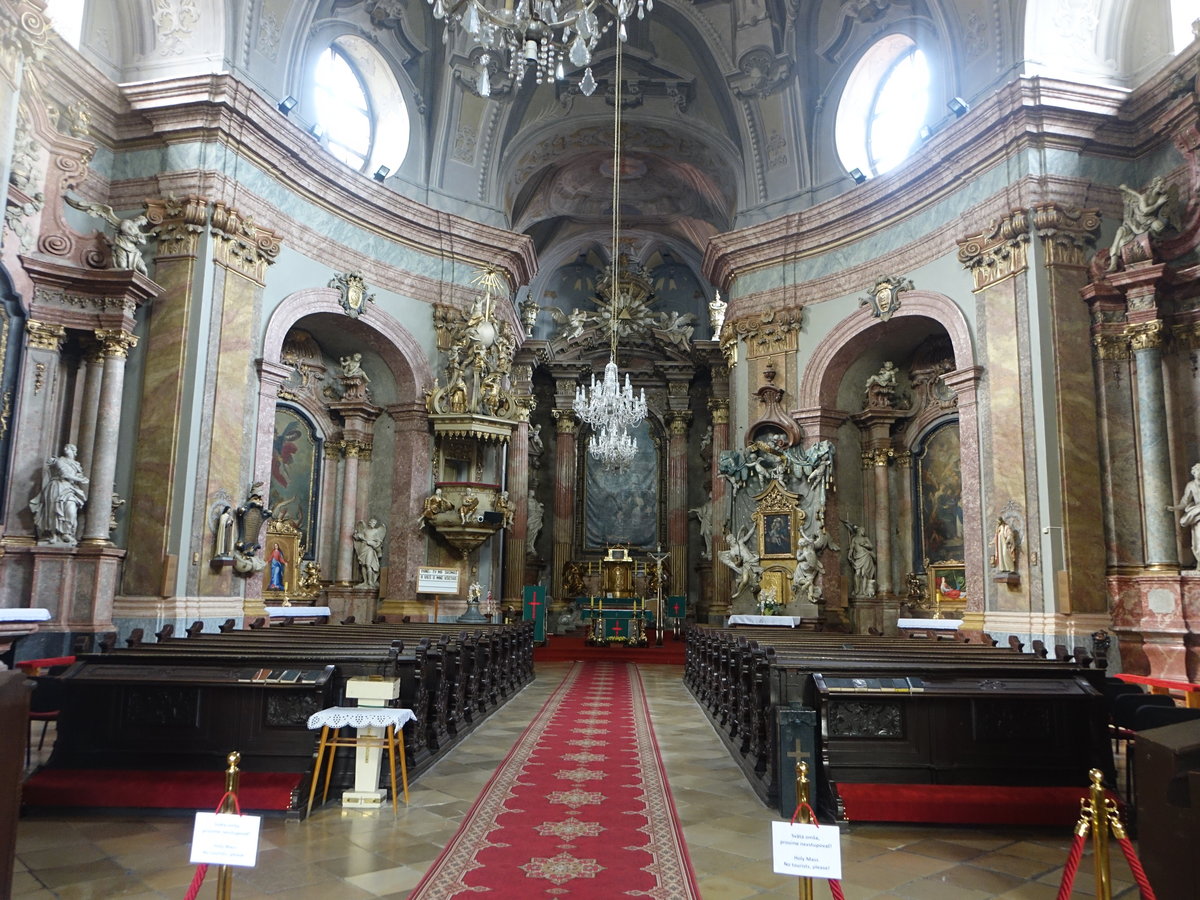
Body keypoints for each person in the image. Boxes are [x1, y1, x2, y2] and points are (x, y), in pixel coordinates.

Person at [30, 443, 89, 545]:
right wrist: (80, 479)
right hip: (57, 486)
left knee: (71, 510)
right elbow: (64, 473)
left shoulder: (76, 464)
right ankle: (54, 534)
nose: (65, 449)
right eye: (65, 447)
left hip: (70, 488)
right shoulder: (59, 461)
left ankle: (67, 533)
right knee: (53, 510)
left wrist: (79, 477)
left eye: (69, 448)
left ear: (74, 452)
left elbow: (76, 474)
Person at [1108, 177, 1171, 271]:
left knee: (1159, 227)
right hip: (1136, 222)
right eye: (1161, 184)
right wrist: (1158, 203)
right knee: (1120, 232)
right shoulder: (1144, 197)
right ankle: (1113, 263)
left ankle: (1153, 242)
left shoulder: (1162, 196)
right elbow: (1145, 211)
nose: (1162, 186)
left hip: (1150, 221)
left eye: (1163, 184)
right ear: (1154, 185)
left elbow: (1165, 212)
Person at [1171, 462, 1200, 564]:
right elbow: (1185, 501)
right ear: (1193, 473)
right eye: (1197, 471)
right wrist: (1175, 508)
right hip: (1197, 515)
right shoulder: (1191, 485)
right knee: (1198, 540)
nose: (1199, 473)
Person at [844, 521, 876, 598]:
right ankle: (857, 590)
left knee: (864, 573)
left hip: (865, 556)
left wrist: (865, 545)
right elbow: (851, 548)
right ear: (859, 530)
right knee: (857, 573)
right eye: (862, 530)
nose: (863, 532)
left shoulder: (865, 538)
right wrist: (849, 555)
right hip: (858, 557)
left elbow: (871, 546)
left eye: (864, 531)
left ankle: (864, 591)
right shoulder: (854, 539)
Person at [353, 518, 386, 588]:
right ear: (369, 523)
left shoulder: (376, 531)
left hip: (370, 549)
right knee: (363, 565)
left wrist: (375, 544)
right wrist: (356, 535)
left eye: (374, 523)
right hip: (363, 547)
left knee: (368, 565)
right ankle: (365, 581)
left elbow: (379, 541)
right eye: (371, 522)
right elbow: (358, 537)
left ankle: (370, 581)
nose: (372, 523)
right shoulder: (365, 530)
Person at [791, 531, 823, 604]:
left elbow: (799, 559)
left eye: (800, 545)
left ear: (802, 545)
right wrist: (802, 532)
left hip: (806, 568)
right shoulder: (811, 546)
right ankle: (810, 595)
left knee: (799, 567)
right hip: (813, 568)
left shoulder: (805, 553)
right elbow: (807, 539)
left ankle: (807, 585)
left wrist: (798, 553)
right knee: (810, 581)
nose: (800, 546)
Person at [688, 495, 714, 559]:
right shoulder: (707, 504)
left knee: (710, 536)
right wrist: (694, 510)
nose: (710, 495)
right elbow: (701, 510)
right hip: (706, 521)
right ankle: (709, 552)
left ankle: (711, 552)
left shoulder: (717, 503)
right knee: (707, 536)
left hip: (712, 521)